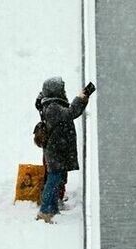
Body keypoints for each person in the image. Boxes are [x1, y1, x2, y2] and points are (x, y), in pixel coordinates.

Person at [34, 76, 94, 223]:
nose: (64, 91)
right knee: (53, 180)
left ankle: (52, 208)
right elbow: (71, 113)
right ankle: (44, 211)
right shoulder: (53, 107)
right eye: (61, 89)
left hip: (57, 149)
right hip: (56, 151)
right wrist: (82, 96)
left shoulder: (49, 104)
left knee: (55, 178)